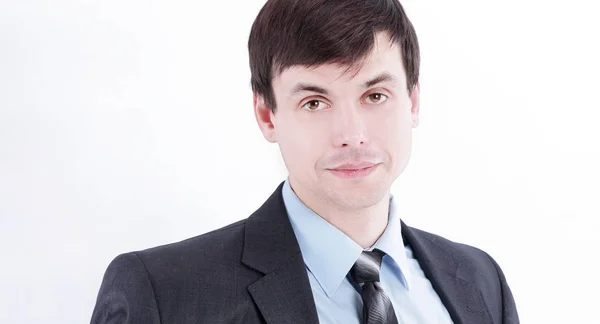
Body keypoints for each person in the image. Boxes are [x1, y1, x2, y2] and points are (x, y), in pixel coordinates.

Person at [90, 0, 519, 323]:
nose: (352, 134)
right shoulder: (164, 293)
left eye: (375, 96)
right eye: (315, 102)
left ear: (413, 101)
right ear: (266, 115)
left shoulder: (481, 280)